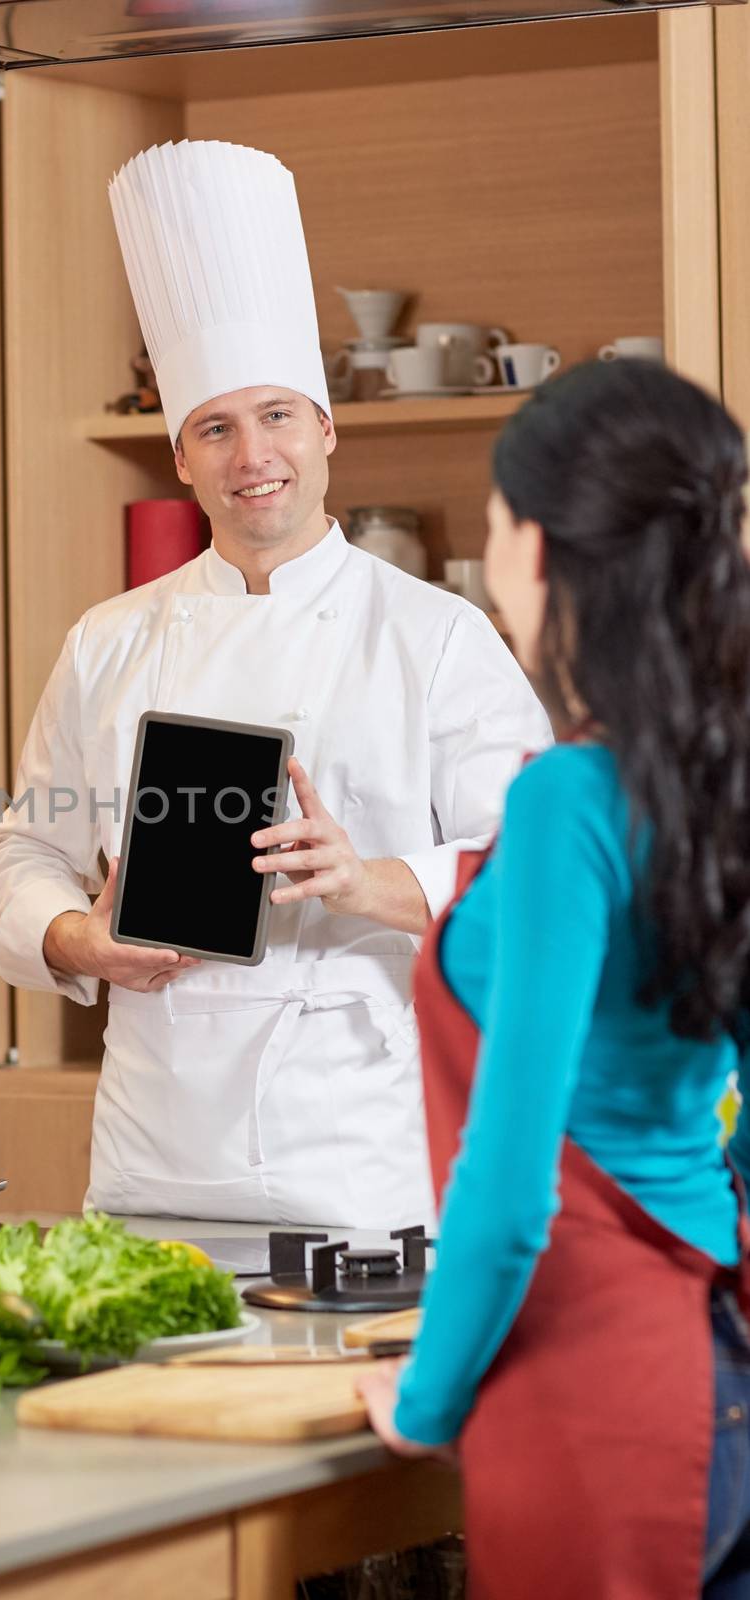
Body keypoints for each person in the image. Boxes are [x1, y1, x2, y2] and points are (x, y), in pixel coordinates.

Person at [0, 139, 550, 1227]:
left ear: (328, 430)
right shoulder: (108, 640)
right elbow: (25, 845)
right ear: (182, 457)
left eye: (278, 415)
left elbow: (530, 872)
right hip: (154, 1152)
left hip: (362, 1155)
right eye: (216, 427)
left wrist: (365, 877)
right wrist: (76, 939)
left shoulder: (437, 636)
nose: (254, 456)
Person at [357, 358, 750, 1597]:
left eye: (491, 521)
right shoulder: (715, 785)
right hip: (716, 1359)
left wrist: (424, 1400)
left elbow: (512, 1177)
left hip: (590, 1389)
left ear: (536, 547)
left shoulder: (567, 800)